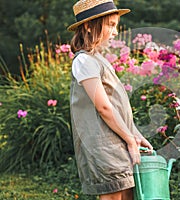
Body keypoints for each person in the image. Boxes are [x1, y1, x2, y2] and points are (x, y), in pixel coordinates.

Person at [67, 0, 153, 199]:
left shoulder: (97, 59)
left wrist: (135, 134)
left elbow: (117, 106)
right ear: (88, 26)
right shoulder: (84, 61)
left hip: (117, 143)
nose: (115, 32)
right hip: (103, 147)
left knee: (127, 193)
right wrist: (130, 140)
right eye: (111, 25)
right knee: (115, 194)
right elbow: (104, 107)